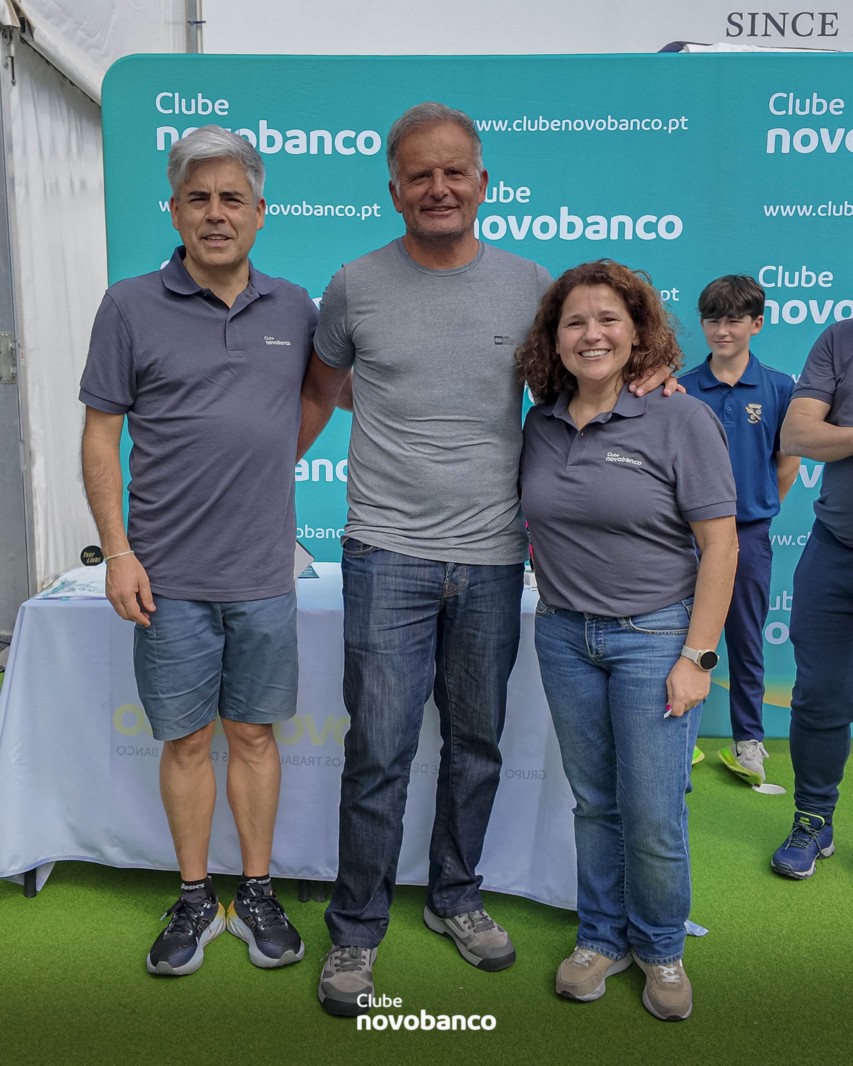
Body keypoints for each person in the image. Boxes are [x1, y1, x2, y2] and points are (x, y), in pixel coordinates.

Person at [297, 103, 676, 1017]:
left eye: (453, 172)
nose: (438, 188)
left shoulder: (529, 287)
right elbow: (319, 388)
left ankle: (456, 897)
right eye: (418, 175)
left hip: (496, 557)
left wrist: (649, 377)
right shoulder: (353, 285)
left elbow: (582, 378)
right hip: (385, 551)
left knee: (475, 747)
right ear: (394, 189)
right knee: (379, 752)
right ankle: (356, 930)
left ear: (482, 183)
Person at [79, 126, 317, 976]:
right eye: (198, 199)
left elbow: (326, 394)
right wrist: (117, 552)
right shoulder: (128, 306)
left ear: (260, 212)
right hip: (167, 578)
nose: (216, 214)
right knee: (185, 743)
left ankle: (255, 891)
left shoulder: (294, 308)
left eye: (232, 199)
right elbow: (100, 437)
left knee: (252, 736)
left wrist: (269, 457)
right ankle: (192, 897)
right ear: (175, 211)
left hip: (263, 576)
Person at [517, 260, 738, 1022]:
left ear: (637, 332)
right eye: (574, 321)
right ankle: (600, 938)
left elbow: (720, 545)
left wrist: (696, 657)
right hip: (563, 635)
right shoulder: (540, 423)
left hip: (654, 638)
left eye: (609, 319)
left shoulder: (678, 418)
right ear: (554, 339)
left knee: (651, 810)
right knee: (595, 803)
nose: (592, 334)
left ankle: (660, 947)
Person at [680, 276, 798, 784]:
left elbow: (787, 462)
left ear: (757, 324)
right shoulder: (681, 388)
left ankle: (748, 740)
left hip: (748, 533)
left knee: (746, 638)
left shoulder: (779, 387)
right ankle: (678, 732)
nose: (722, 330)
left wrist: (755, 509)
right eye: (712, 320)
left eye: (733, 320)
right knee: (674, 633)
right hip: (684, 537)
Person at [770, 320, 853, 879]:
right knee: (820, 695)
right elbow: (799, 434)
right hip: (836, 546)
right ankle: (813, 819)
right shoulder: (841, 339)